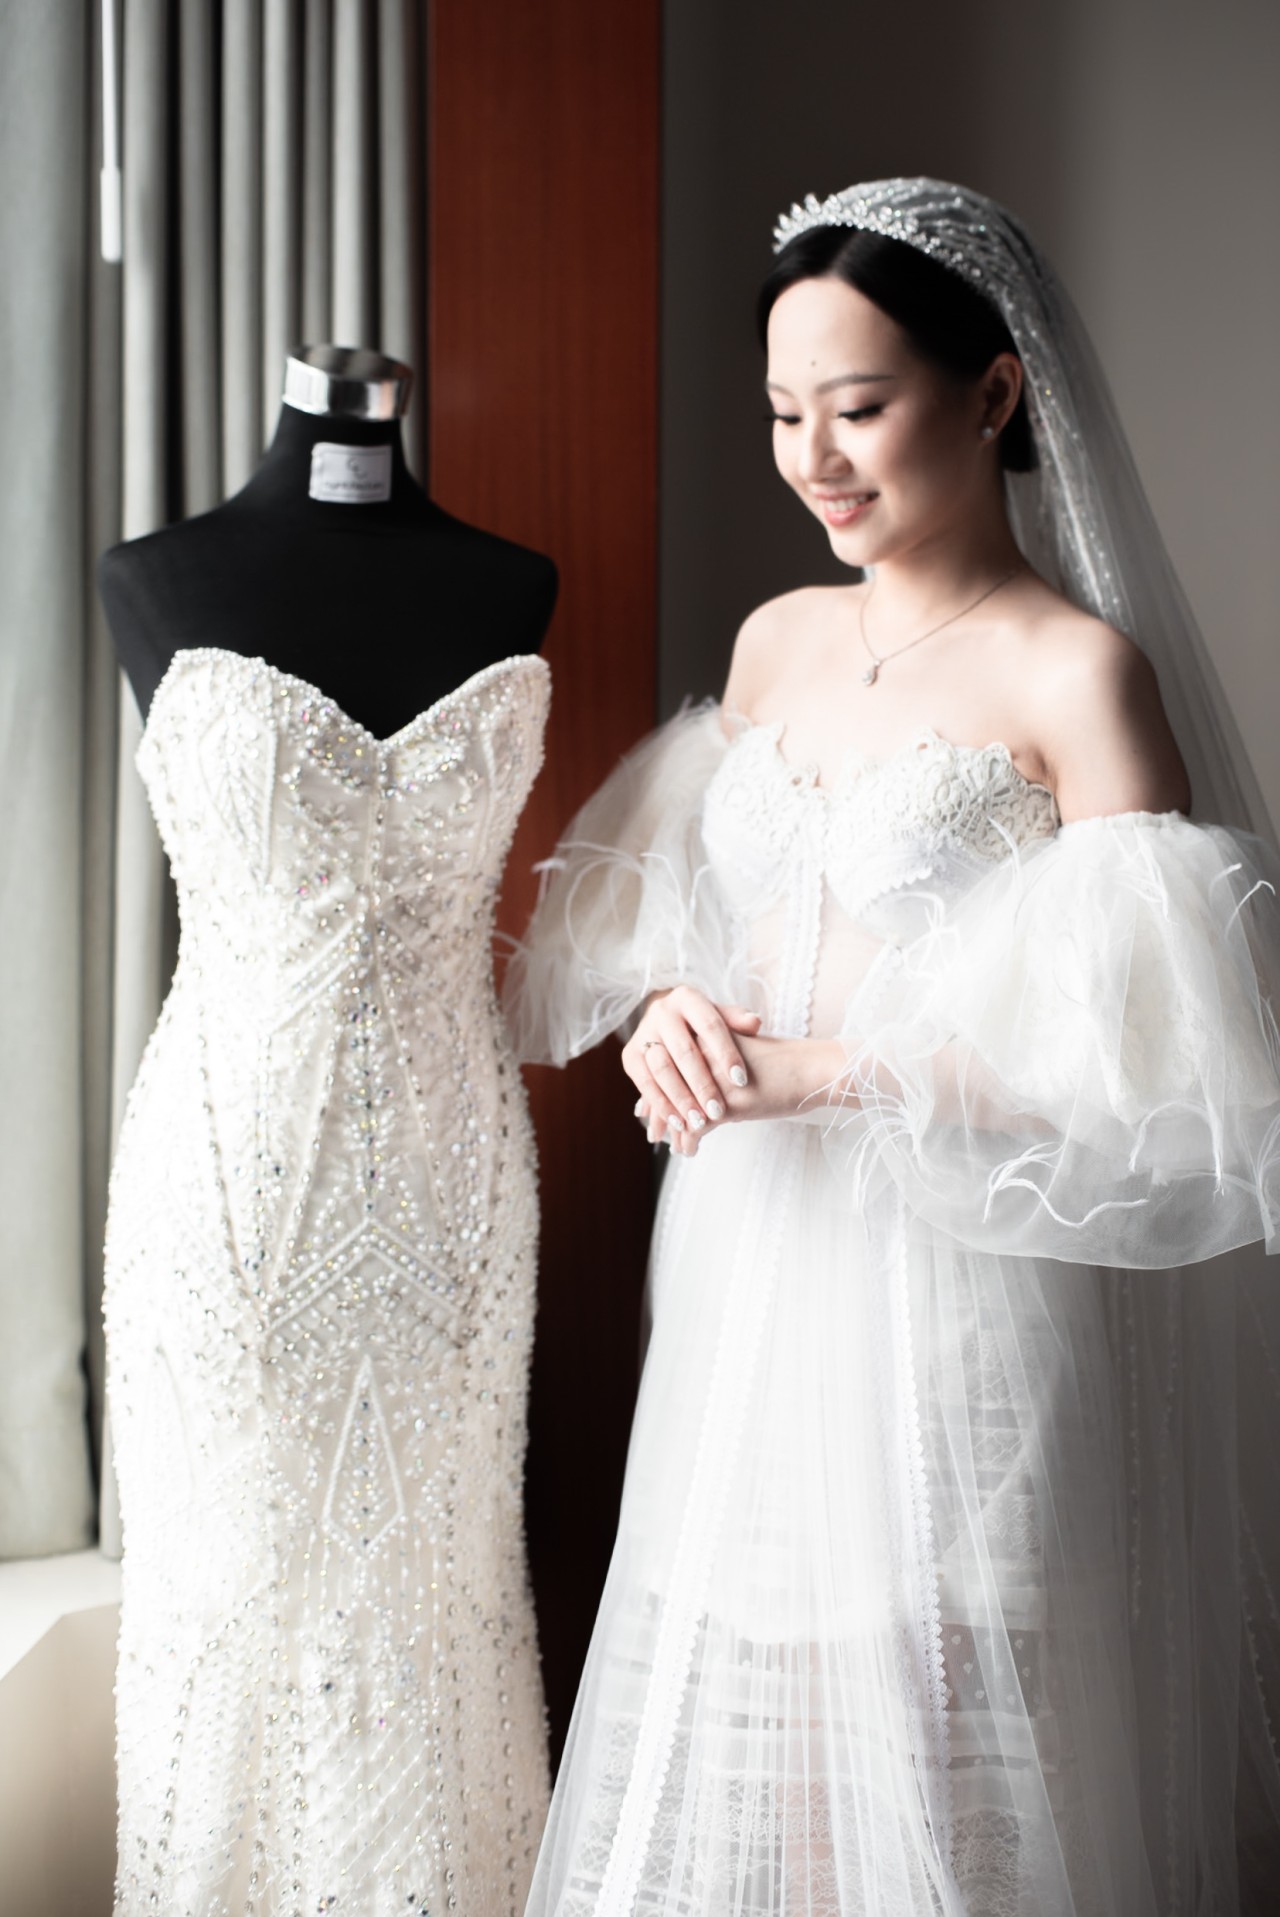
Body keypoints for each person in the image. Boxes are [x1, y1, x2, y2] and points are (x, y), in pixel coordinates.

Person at [506, 181, 1280, 1915]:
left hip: (959, 1289)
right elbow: (696, 920)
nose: (815, 459)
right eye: (785, 414)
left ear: (993, 393)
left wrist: (827, 1073)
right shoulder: (777, 641)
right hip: (747, 1261)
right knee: (760, 1732)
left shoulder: (1077, 676)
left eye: (857, 407)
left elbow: (1148, 1080)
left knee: (948, 1759)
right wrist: (675, 1009)